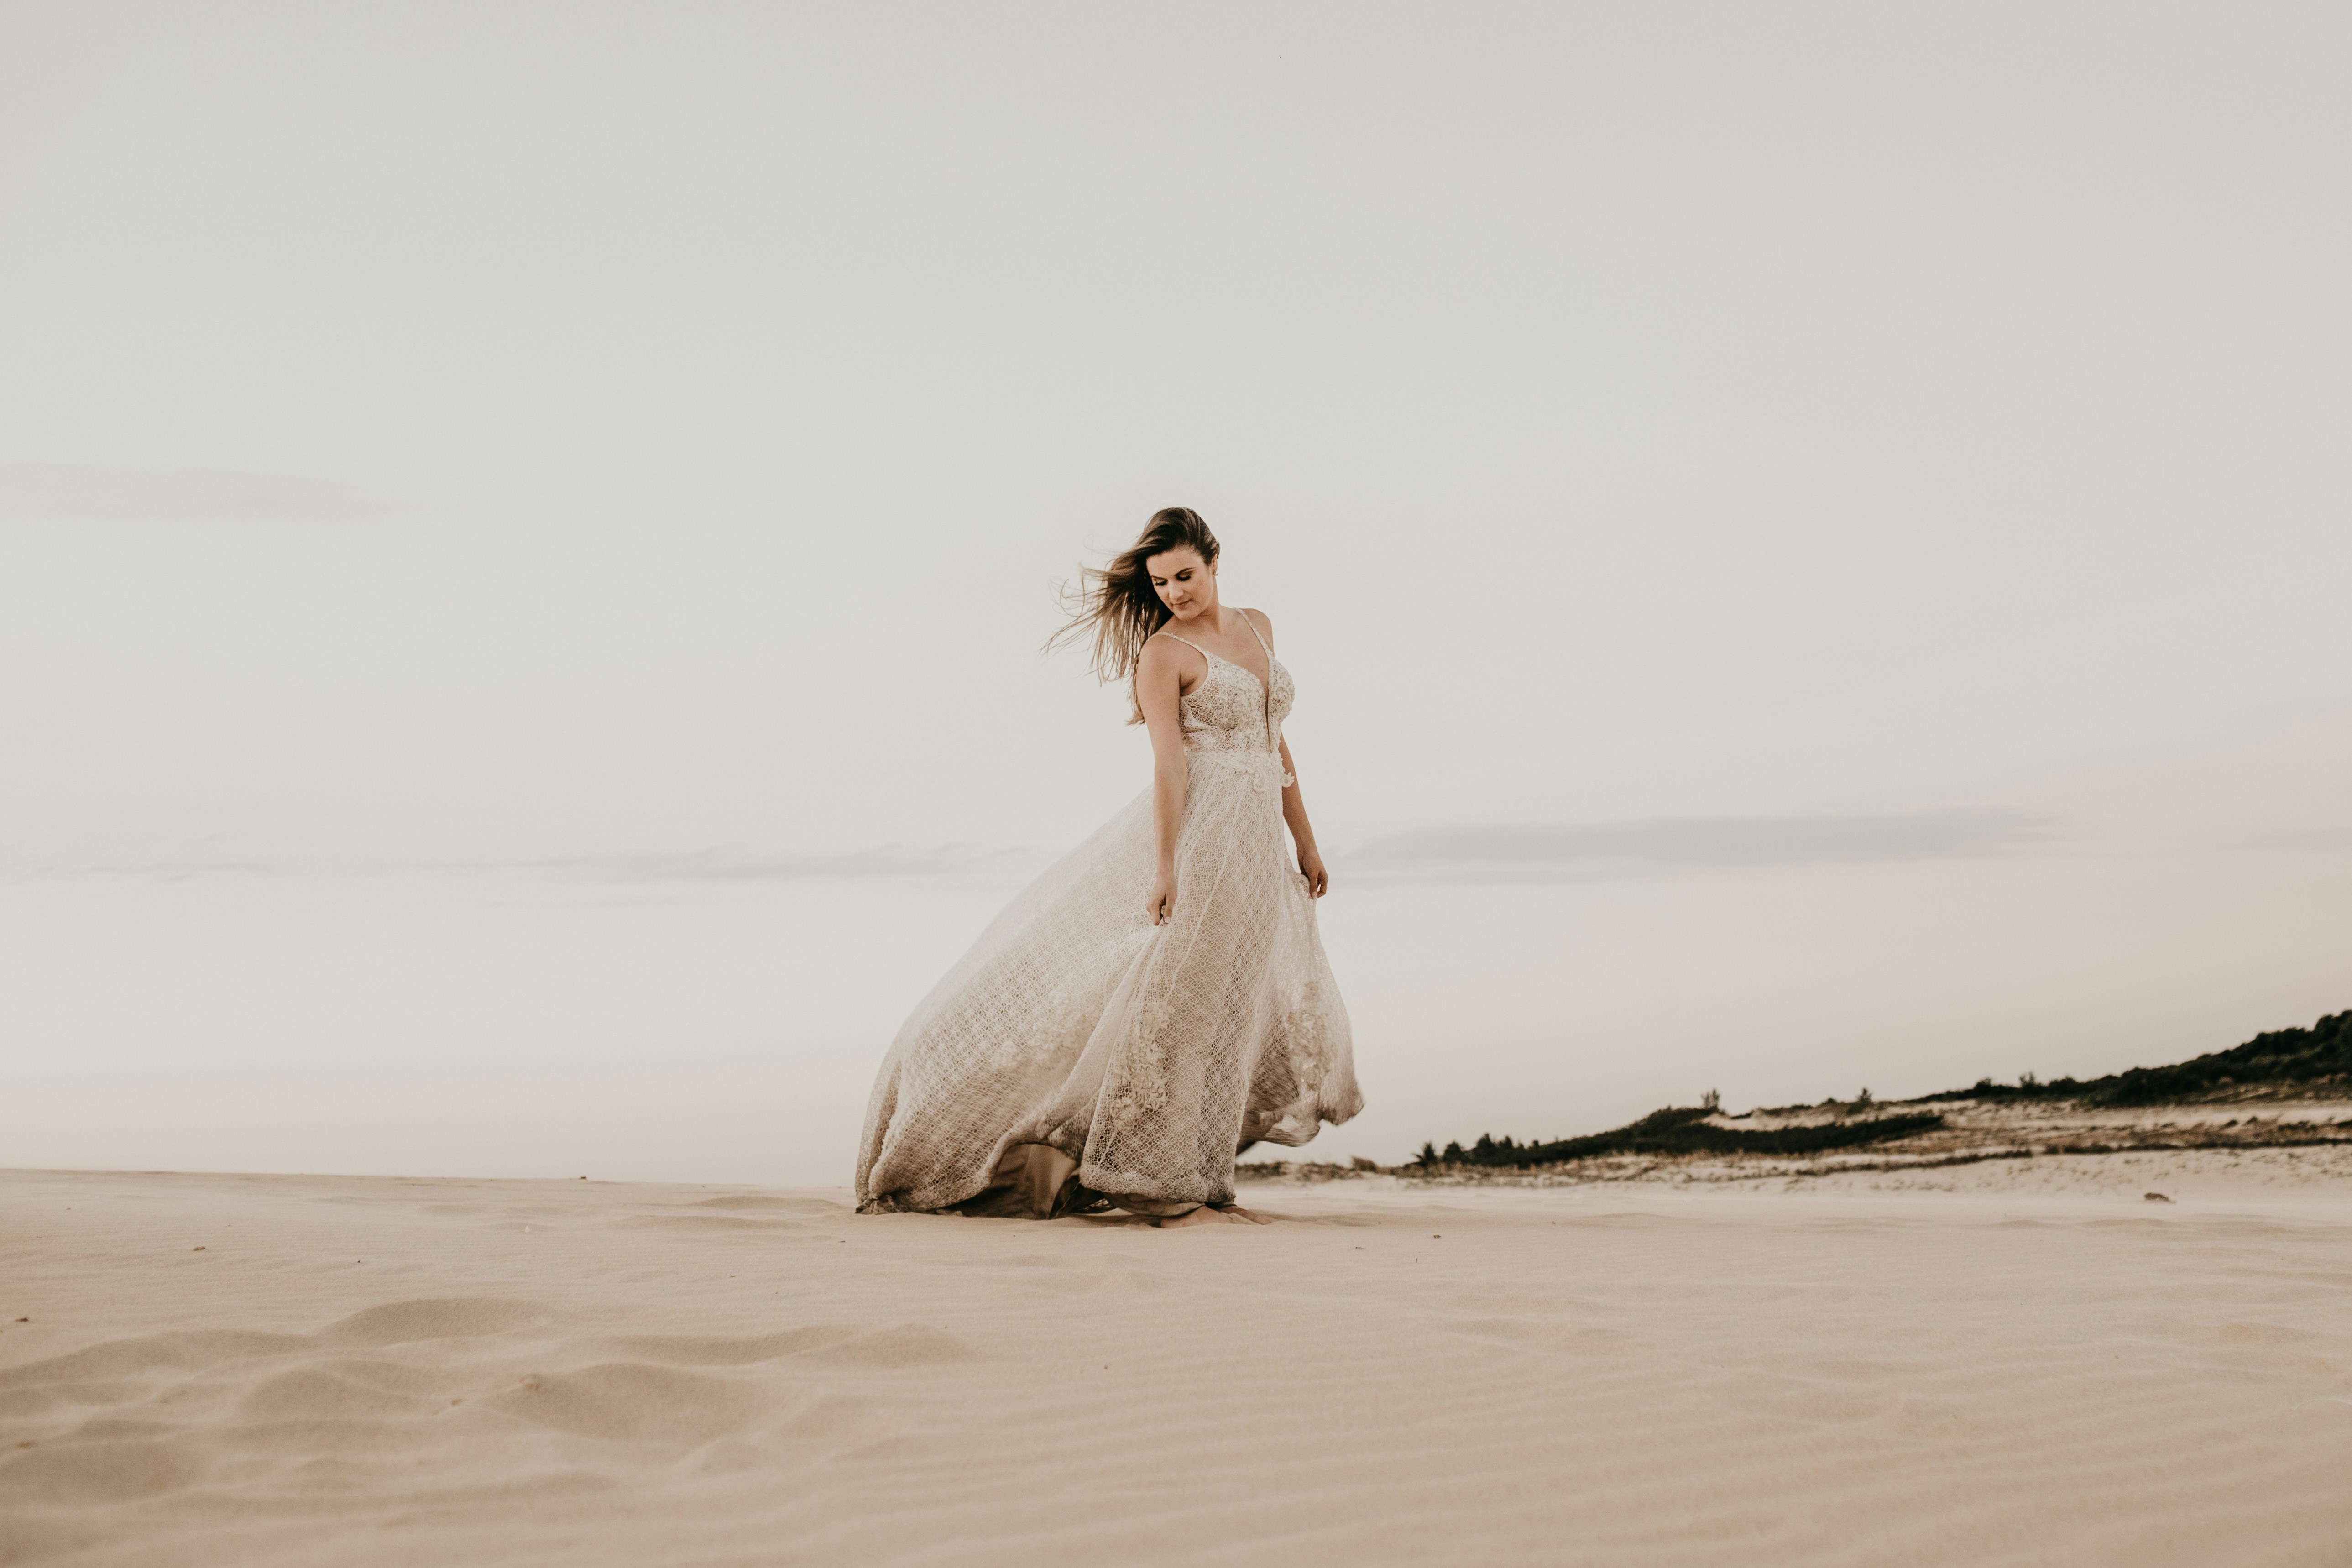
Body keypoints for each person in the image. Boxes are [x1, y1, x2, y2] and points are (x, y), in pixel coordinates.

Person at [854, 507, 1362, 1226]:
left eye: (1185, 576)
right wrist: (1165, 866)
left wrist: (1304, 841)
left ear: (1214, 562)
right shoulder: (1161, 655)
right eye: (1160, 583)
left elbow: (1275, 743)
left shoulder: (1258, 626)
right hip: (1204, 835)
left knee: (1229, 1007)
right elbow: (1168, 765)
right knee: (1179, 1002)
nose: (1175, 593)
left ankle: (1198, 1171)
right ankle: (1143, 1174)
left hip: (1258, 842)